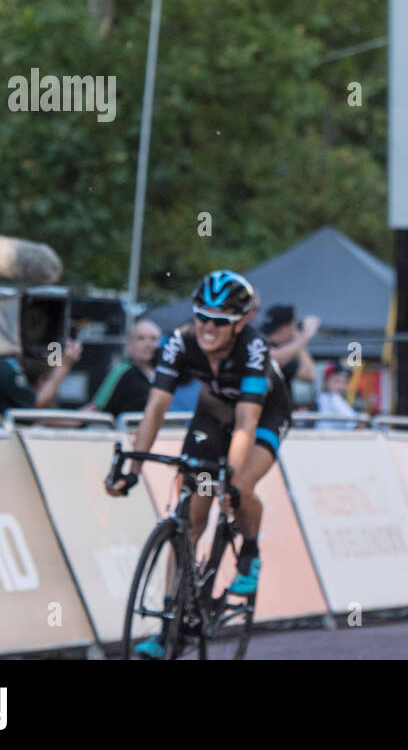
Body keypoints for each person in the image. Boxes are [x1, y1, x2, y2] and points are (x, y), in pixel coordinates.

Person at [105, 270, 292, 657]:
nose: (207, 327)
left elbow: (246, 424)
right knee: (191, 516)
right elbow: (155, 407)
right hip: (212, 416)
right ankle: (170, 627)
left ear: (239, 323)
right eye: (201, 317)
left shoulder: (253, 349)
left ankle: (250, 551)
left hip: (262, 417)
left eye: (219, 321)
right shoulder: (179, 341)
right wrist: (134, 470)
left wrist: (233, 481)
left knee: (242, 488)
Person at [83, 319, 161, 418]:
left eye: (153, 339)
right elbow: (96, 408)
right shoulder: (122, 371)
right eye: (141, 338)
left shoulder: (164, 373)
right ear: (129, 344)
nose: (148, 344)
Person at [0, 339, 84, 412]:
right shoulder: (5, 364)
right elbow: (37, 404)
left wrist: (80, 418)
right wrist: (63, 366)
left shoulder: (9, 361)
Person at [315, 361, 361, 430]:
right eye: (336, 381)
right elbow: (356, 425)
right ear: (325, 382)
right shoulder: (329, 398)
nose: (341, 386)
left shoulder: (340, 400)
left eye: (345, 382)